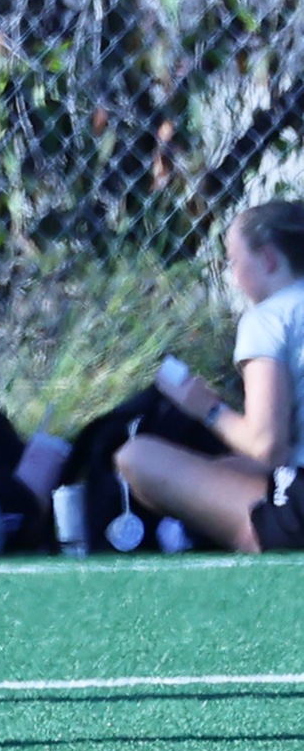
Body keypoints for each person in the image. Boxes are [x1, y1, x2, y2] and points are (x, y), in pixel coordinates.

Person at [113, 202, 304, 553]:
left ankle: (193, 536)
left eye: (233, 261)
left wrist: (206, 407)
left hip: (297, 517)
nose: (232, 276)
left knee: (137, 457)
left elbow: (267, 446)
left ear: (268, 259)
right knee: (224, 467)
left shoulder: (269, 319)